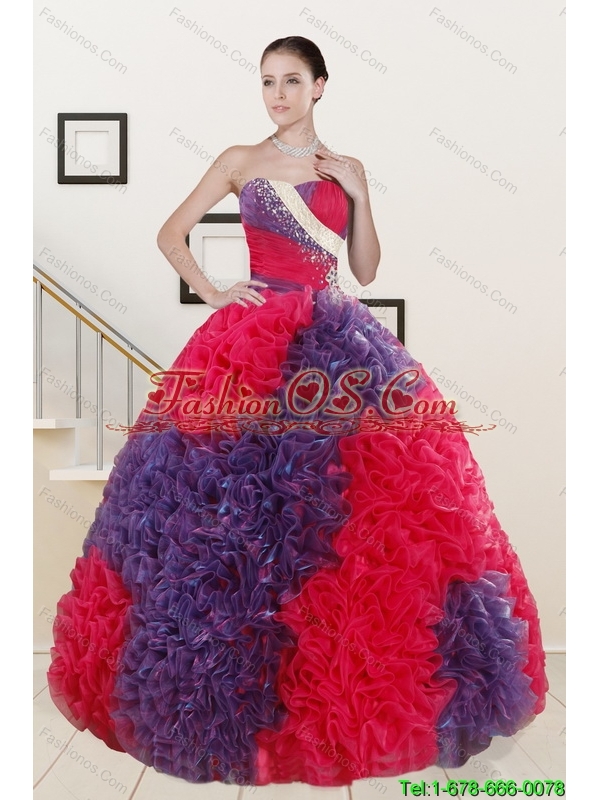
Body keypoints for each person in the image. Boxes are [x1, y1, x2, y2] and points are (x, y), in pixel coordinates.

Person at [47, 35, 549, 787]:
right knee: (231, 512)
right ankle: (240, 690)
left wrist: (362, 194)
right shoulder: (239, 160)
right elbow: (170, 233)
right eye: (267, 82)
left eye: (290, 81)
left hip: (335, 340)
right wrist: (214, 292)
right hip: (250, 342)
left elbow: (364, 269)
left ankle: (328, 684)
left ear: (320, 86)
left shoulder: (343, 168)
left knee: (354, 506)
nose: (276, 95)